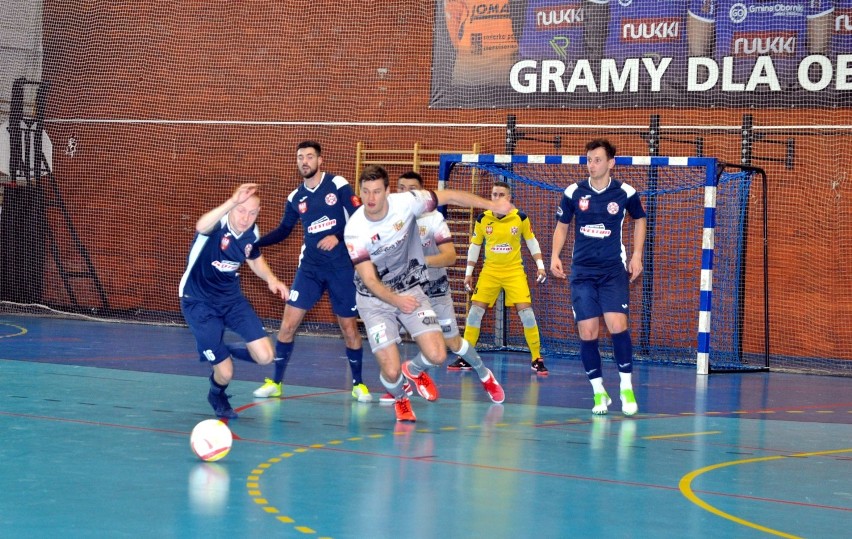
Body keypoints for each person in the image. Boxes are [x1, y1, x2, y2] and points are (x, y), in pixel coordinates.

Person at [343, 165, 509, 422]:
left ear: (388, 192)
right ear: (360, 193)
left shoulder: (408, 203)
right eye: (365, 192)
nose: (371, 198)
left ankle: (418, 371)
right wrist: (396, 300)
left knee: (439, 353)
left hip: (410, 288)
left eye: (377, 191)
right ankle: (401, 399)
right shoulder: (355, 229)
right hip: (374, 299)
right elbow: (370, 280)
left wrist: (491, 205)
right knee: (389, 368)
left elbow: (451, 196)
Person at [250, 141, 372, 402]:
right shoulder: (295, 198)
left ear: (320, 160)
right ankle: (275, 382)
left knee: (349, 328)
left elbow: (359, 218)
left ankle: (358, 384)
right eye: (300, 157)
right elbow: (284, 231)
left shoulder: (337, 184)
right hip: (310, 270)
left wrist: (337, 236)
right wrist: (255, 243)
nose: (304, 161)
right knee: (287, 326)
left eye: (309, 156)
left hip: (340, 268)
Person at [378, 171, 505, 405]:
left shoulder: (433, 219)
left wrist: (417, 261)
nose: (406, 193)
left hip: (435, 289)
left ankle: (485, 375)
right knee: (387, 341)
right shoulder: (388, 220)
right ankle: (397, 386)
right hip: (405, 292)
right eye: (401, 188)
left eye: (411, 188)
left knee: (451, 343)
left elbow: (450, 257)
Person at [550, 139, 646, 416]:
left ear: (610, 163)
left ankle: (626, 388)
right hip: (582, 272)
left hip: (612, 270)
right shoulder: (573, 192)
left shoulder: (625, 192)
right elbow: (562, 226)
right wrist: (555, 255)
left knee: (617, 324)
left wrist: (637, 255)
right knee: (587, 331)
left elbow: (640, 219)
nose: (591, 165)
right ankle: (598, 391)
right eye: (589, 160)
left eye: (597, 160)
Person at [179, 183, 289, 419]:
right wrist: (232, 201)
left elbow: (254, 258)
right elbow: (200, 225)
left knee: (266, 356)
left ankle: (223, 350)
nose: (245, 218)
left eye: (252, 213)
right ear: (232, 208)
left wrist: (272, 279)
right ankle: (216, 393)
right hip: (198, 302)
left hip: (231, 300)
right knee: (225, 373)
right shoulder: (218, 224)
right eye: (241, 210)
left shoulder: (252, 233)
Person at [455, 181, 549, 375]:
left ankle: (536, 358)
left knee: (527, 313)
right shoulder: (483, 219)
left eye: (501, 194)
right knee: (474, 312)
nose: (496, 197)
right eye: (494, 194)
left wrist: (540, 266)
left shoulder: (520, 218)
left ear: (509, 198)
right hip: (489, 272)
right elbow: (475, 246)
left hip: (514, 272)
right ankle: (466, 357)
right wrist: (468, 273)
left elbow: (531, 242)